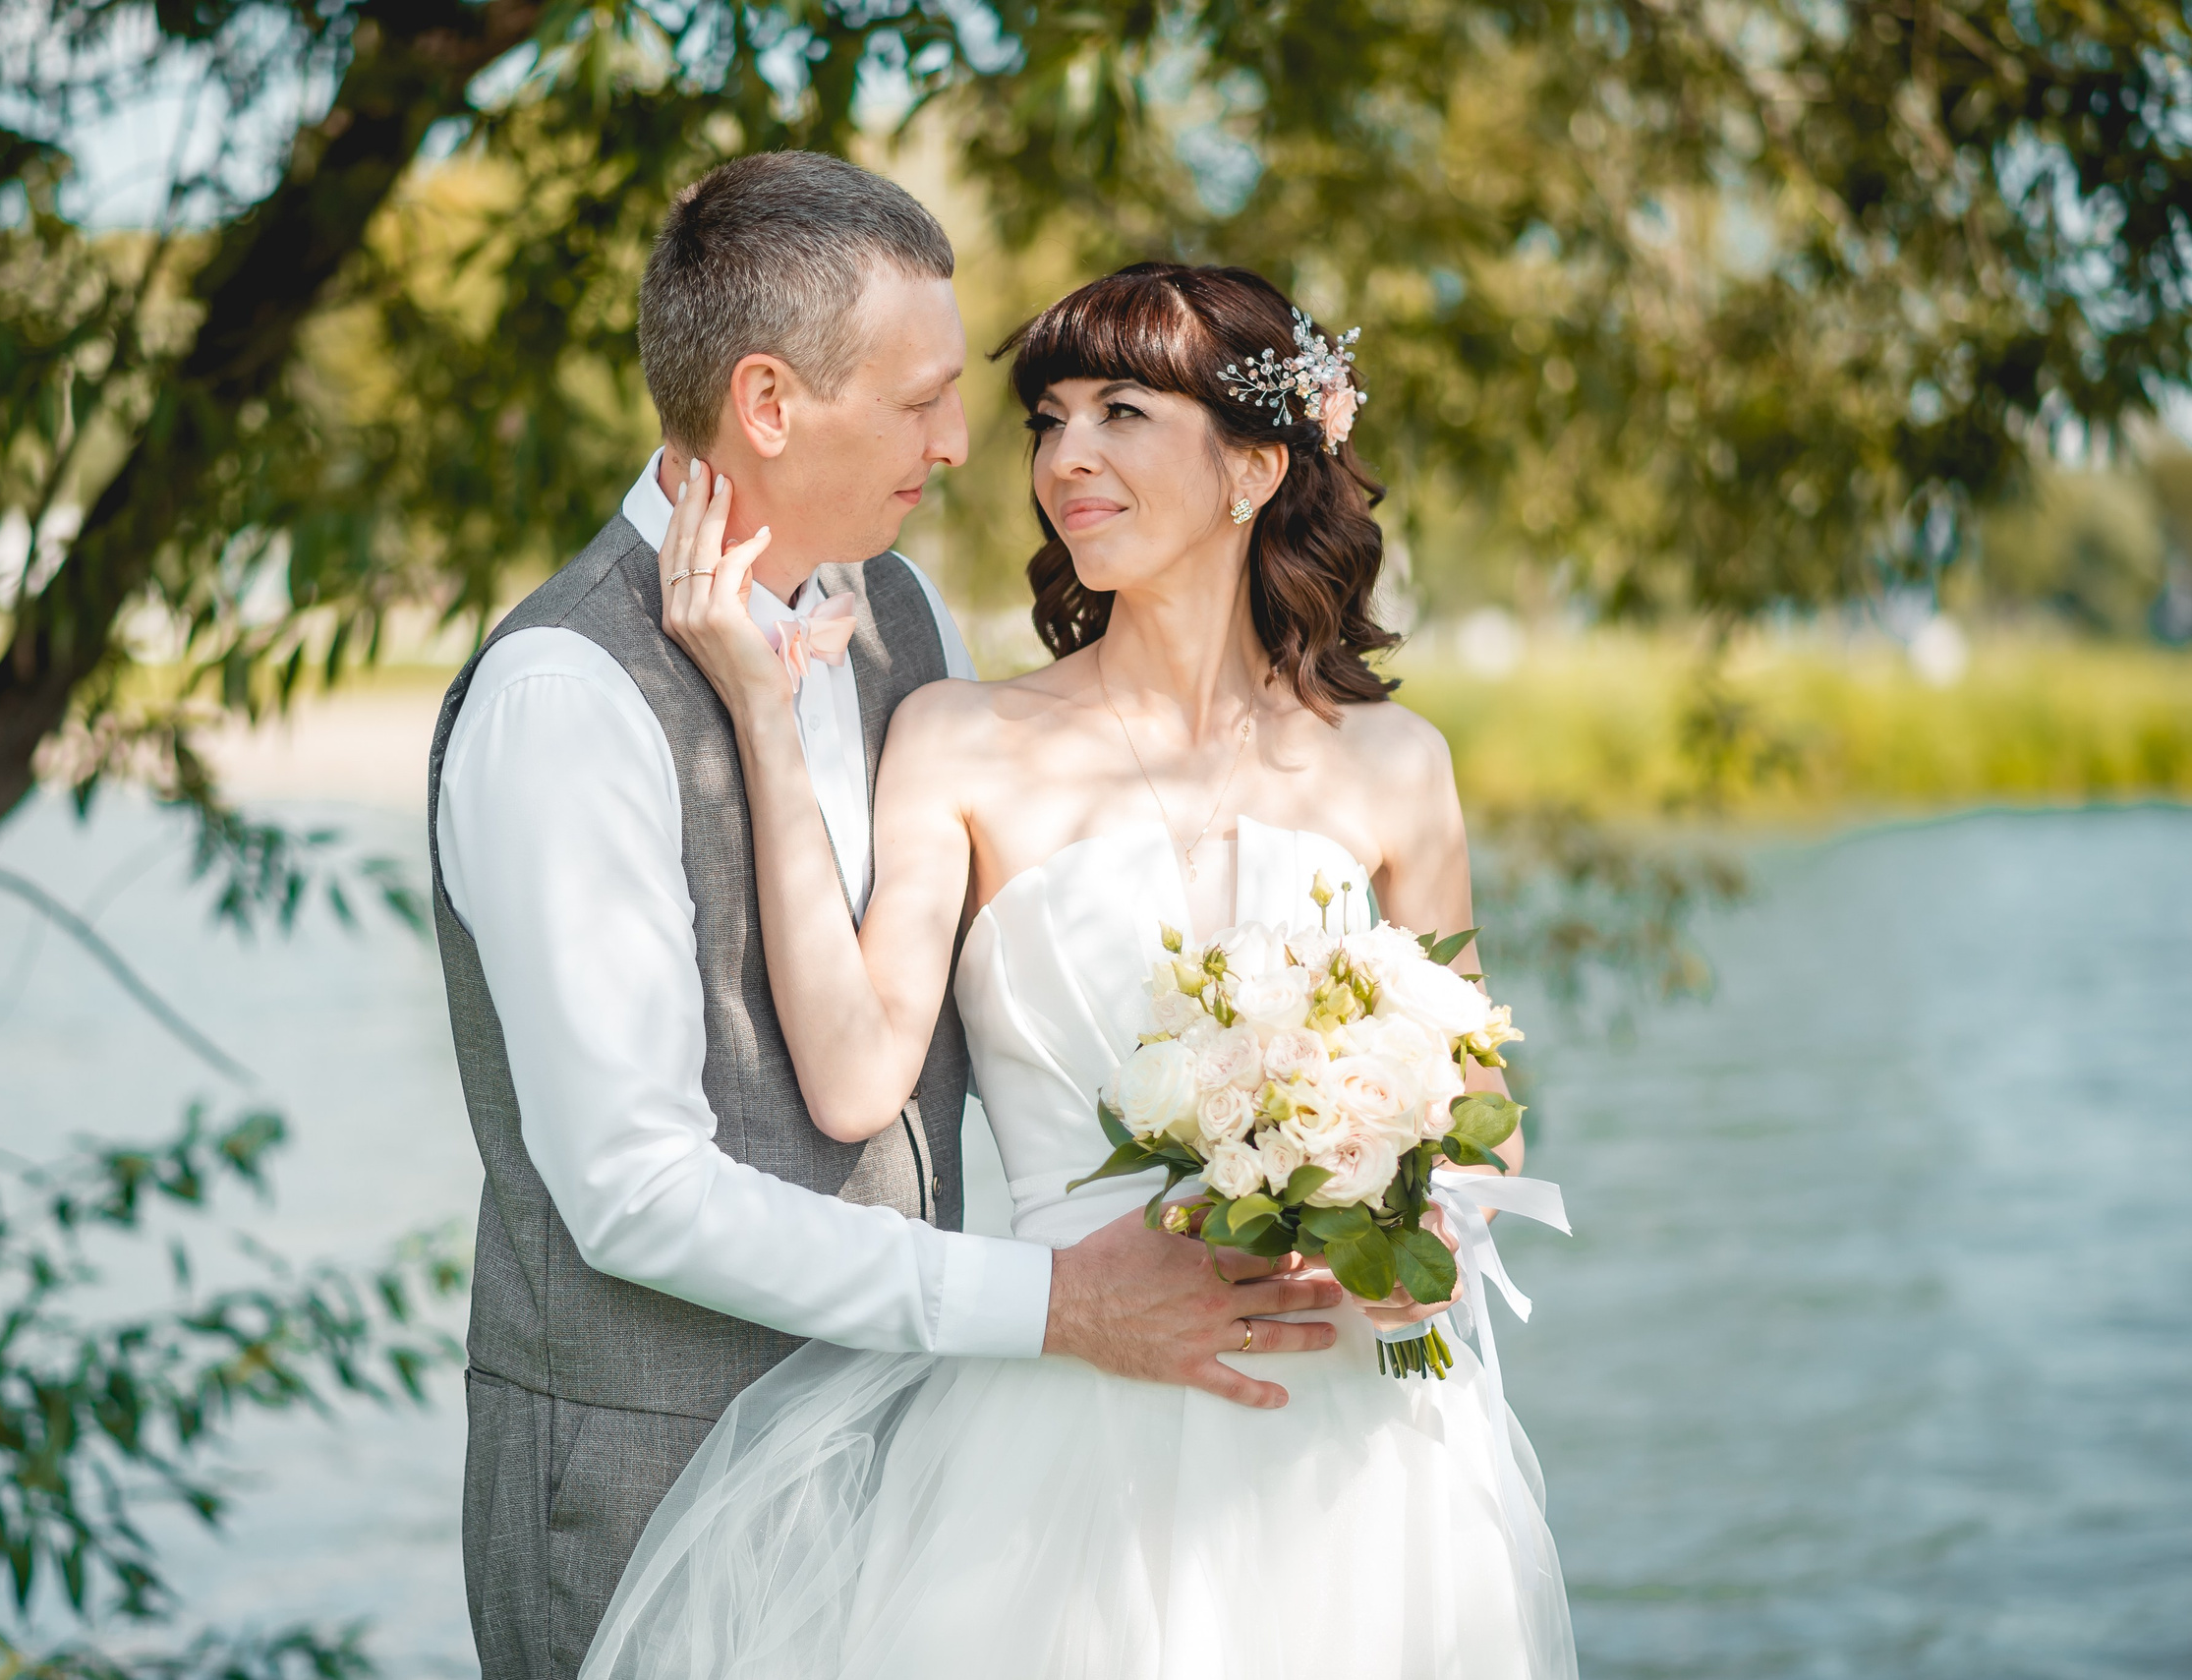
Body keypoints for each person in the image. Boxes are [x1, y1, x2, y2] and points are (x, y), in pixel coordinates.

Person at [428, 158, 1346, 1680]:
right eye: (921, 402)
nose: (968, 441)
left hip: (924, 1470)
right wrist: (1050, 1301)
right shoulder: (565, 697)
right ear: (770, 403)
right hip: (650, 1485)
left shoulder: (906, 617)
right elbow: (635, 1190)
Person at [607, 261, 1578, 1677]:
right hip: (1060, 1433)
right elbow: (853, 1072)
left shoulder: (1397, 765)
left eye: (1123, 410)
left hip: (1350, 1448)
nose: (1067, 455)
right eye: (1047, 419)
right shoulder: (956, 736)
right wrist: (761, 715)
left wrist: (1418, 1245)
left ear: (1255, 465)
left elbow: (1477, 1111)